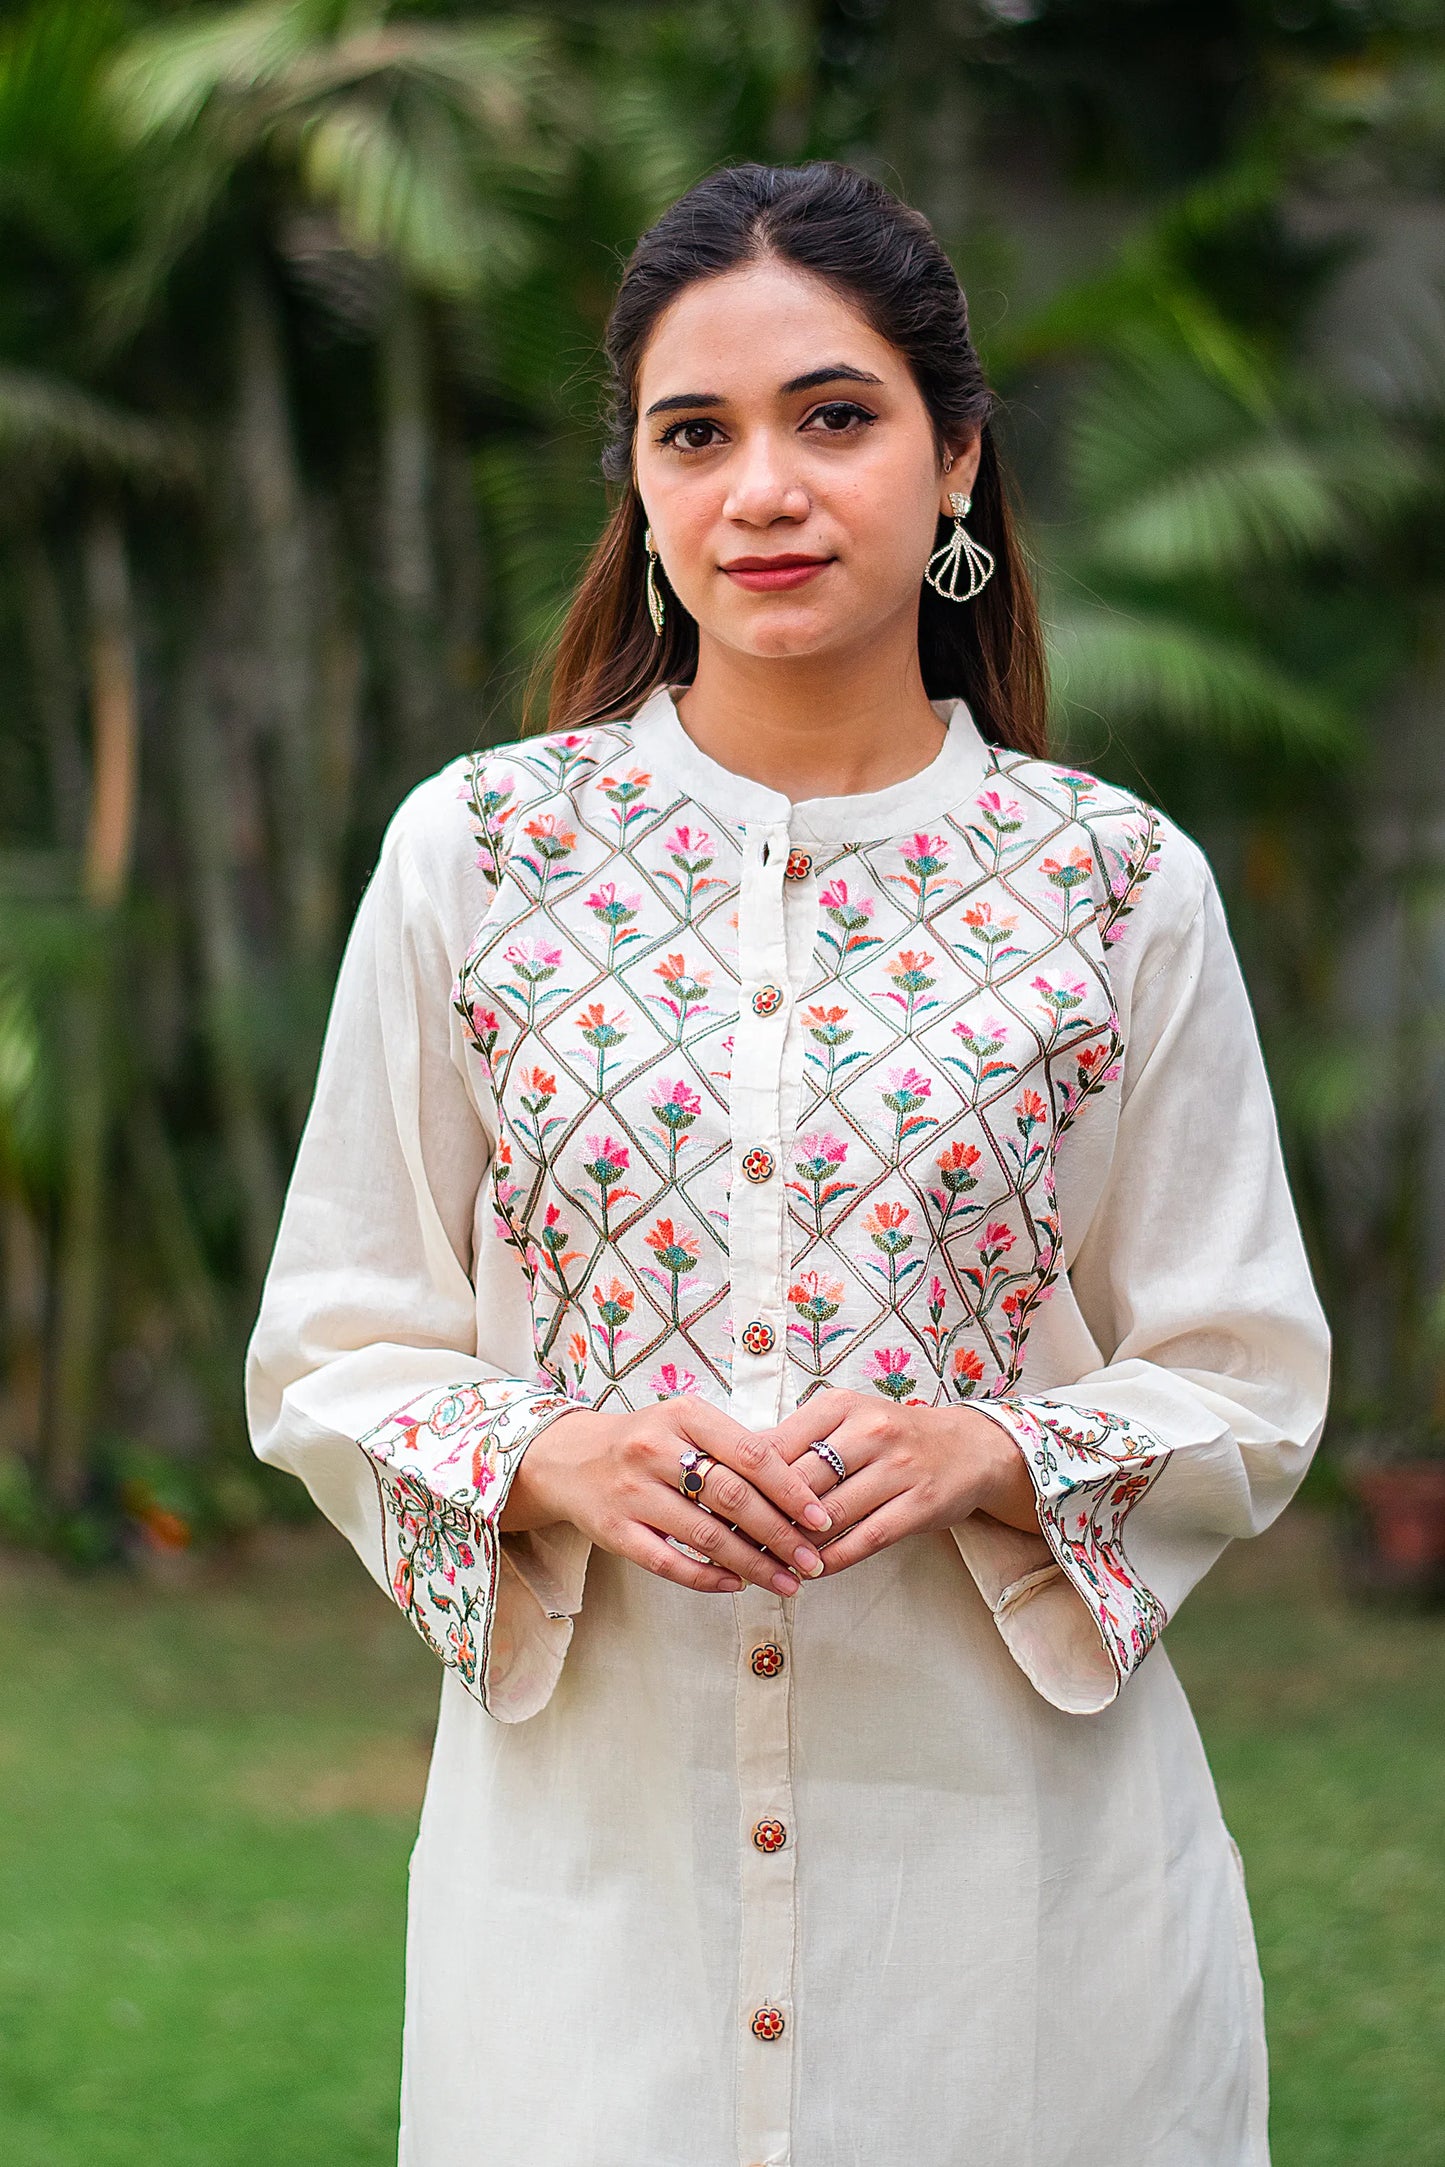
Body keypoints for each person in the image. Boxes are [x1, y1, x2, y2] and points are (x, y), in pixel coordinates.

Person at [246, 161, 1330, 2167]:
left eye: (835, 417)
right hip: (590, 1900)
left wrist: (989, 1448)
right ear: (640, 493)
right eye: (697, 433)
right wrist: (543, 1454)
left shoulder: (1114, 884)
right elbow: (334, 1345)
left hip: (1015, 1915)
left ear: (956, 463)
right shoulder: (482, 857)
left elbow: (1245, 1371)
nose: (765, 485)